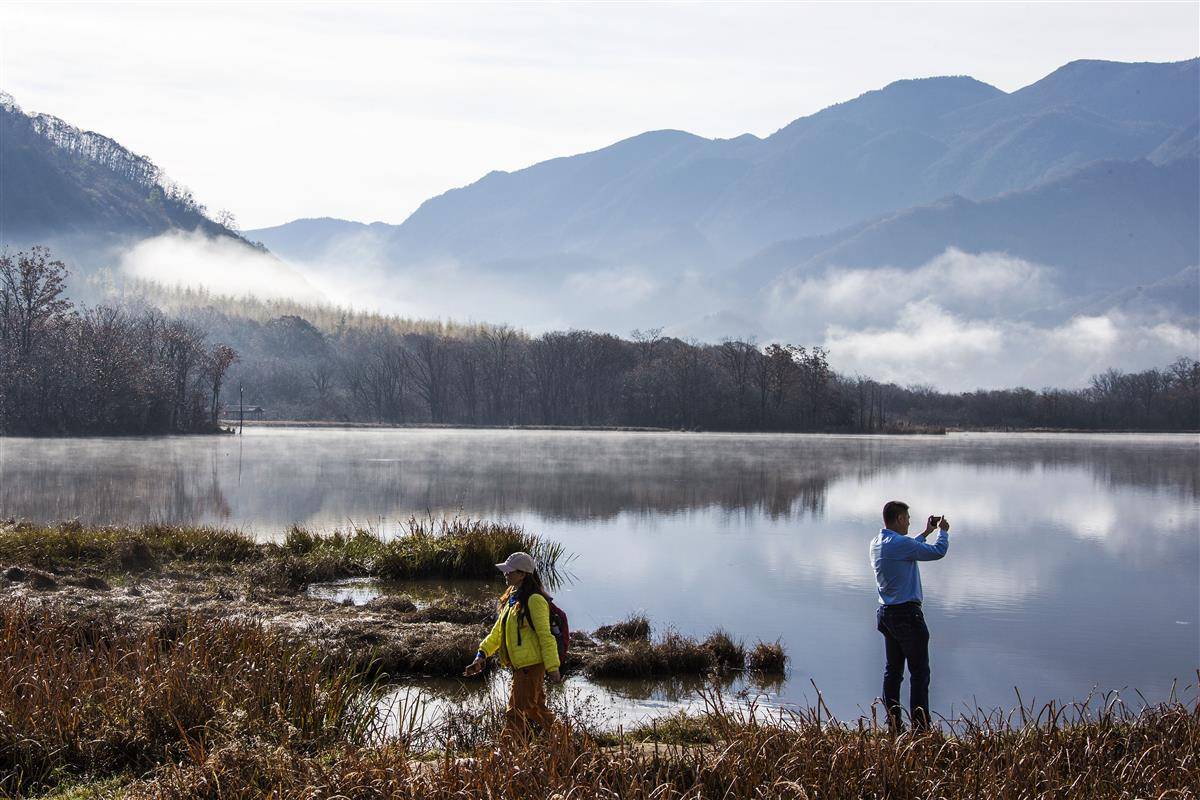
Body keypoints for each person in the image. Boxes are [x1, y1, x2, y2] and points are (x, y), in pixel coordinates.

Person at [463, 551, 562, 741]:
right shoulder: (512, 598)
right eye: (505, 571)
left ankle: (507, 752)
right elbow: (497, 633)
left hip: (531, 667)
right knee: (535, 709)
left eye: (510, 571)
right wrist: (481, 654)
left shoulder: (534, 600)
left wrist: (553, 667)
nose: (505, 574)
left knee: (515, 712)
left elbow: (545, 636)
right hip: (519, 667)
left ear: (523, 574)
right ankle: (559, 742)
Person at [870, 500, 950, 731]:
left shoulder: (878, 542)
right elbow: (938, 552)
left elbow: (908, 546)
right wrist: (942, 532)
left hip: (886, 614)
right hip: (907, 615)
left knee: (893, 672)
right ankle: (920, 728)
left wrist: (926, 532)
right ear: (899, 519)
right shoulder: (901, 544)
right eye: (907, 518)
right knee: (919, 673)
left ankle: (894, 724)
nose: (909, 522)